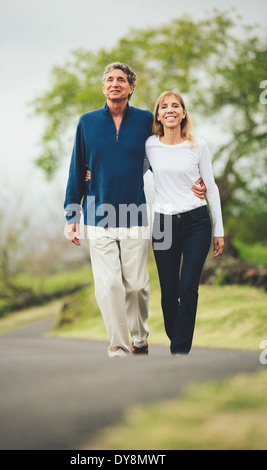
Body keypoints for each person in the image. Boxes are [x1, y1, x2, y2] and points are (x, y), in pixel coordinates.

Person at [64, 63, 206, 358]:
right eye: (109, 80)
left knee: (137, 286)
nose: (114, 84)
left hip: (134, 215)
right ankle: (118, 346)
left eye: (121, 80)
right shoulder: (87, 122)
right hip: (97, 215)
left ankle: (140, 338)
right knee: (108, 285)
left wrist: (195, 180)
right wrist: (71, 215)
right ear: (103, 87)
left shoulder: (144, 120)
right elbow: (77, 169)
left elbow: (166, 151)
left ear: (131, 88)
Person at [145, 91, 224, 355]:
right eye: (164, 106)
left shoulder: (197, 145)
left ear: (183, 112)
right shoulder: (150, 146)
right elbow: (127, 169)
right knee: (169, 293)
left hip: (196, 222)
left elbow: (210, 187)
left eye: (175, 106)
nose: (170, 110)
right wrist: (91, 172)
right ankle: (177, 335)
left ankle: (180, 350)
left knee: (189, 287)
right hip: (164, 225)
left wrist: (219, 231)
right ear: (158, 115)